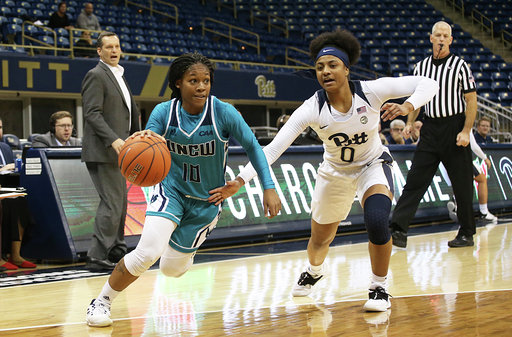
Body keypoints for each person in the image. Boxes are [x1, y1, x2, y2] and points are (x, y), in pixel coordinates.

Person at [209, 29, 438, 312]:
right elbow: (273, 148)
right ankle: (314, 271)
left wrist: (408, 105)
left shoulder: (371, 91)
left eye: (332, 65)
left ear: (346, 68)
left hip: (372, 164)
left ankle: (379, 287)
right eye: (319, 67)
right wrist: (241, 180)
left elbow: (429, 83)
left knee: (378, 220)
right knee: (320, 240)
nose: (325, 71)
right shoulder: (312, 108)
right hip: (335, 172)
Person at [85, 52, 281, 327]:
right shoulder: (164, 112)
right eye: (193, 81)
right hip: (171, 191)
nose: (201, 87)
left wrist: (268, 187)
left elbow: (253, 148)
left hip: (206, 200)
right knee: (147, 253)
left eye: (206, 81)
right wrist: (142, 143)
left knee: (171, 270)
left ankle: (179, 247)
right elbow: (148, 141)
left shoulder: (223, 112)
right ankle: (102, 301)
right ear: (178, 83)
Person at [390, 21, 477, 248]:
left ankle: (467, 233)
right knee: (416, 179)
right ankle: (397, 229)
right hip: (430, 128)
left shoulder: (460, 66)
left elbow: (471, 100)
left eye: (445, 35)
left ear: (450, 40)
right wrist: (410, 122)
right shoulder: (421, 67)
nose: (441, 39)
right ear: (431, 38)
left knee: (462, 183)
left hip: (454, 127)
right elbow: (417, 100)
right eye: (437, 35)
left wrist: (466, 130)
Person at [81, 31, 141, 271]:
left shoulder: (119, 75)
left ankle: (116, 248)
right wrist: (113, 139)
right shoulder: (96, 75)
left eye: (117, 46)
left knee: (121, 202)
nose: (114, 51)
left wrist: (137, 137)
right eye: (109, 47)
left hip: (122, 150)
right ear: (99, 51)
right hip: (104, 150)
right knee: (112, 203)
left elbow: (129, 111)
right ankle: (96, 255)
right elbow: (91, 113)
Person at [0, 118, 36, 271]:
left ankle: (15, 255)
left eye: (0, 127)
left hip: (5, 188)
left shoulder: (5, 147)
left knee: (19, 200)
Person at [447, 131, 497, 222]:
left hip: (445, 156)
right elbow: (473, 146)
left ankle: (456, 204)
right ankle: (483, 212)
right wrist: (485, 158)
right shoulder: (465, 123)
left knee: (463, 181)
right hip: (461, 157)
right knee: (481, 179)